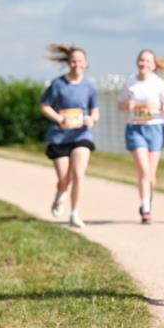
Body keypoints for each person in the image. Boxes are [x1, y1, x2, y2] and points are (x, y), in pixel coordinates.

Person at [40, 44, 100, 229]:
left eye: (80, 61)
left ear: (86, 63)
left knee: (78, 174)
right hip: (59, 137)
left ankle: (74, 214)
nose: (77, 64)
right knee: (64, 179)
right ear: (68, 63)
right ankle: (60, 195)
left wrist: (92, 119)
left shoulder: (90, 86)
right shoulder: (58, 84)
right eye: (74, 61)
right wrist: (59, 118)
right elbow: (44, 106)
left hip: (81, 135)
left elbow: (95, 111)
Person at [117, 49, 164, 224]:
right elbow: (120, 104)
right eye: (141, 60)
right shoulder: (130, 83)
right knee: (143, 170)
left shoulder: (159, 84)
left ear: (154, 64)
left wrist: (157, 106)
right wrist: (127, 105)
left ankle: (147, 199)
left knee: (151, 175)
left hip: (156, 128)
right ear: (137, 62)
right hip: (135, 128)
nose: (144, 64)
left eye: (148, 61)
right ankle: (145, 210)